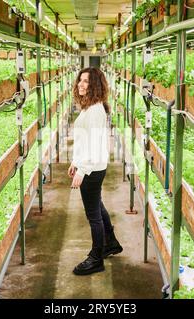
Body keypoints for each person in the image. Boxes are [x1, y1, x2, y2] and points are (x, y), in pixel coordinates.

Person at [68, 67, 123, 276]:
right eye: (80, 80)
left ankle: (96, 258)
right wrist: (75, 161)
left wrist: (82, 169)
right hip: (92, 166)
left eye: (86, 82)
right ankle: (111, 243)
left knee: (93, 216)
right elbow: (84, 141)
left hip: (92, 169)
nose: (81, 84)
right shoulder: (90, 107)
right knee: (97, 207)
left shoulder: (95, 111)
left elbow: (93, 144)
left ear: (95, 86)